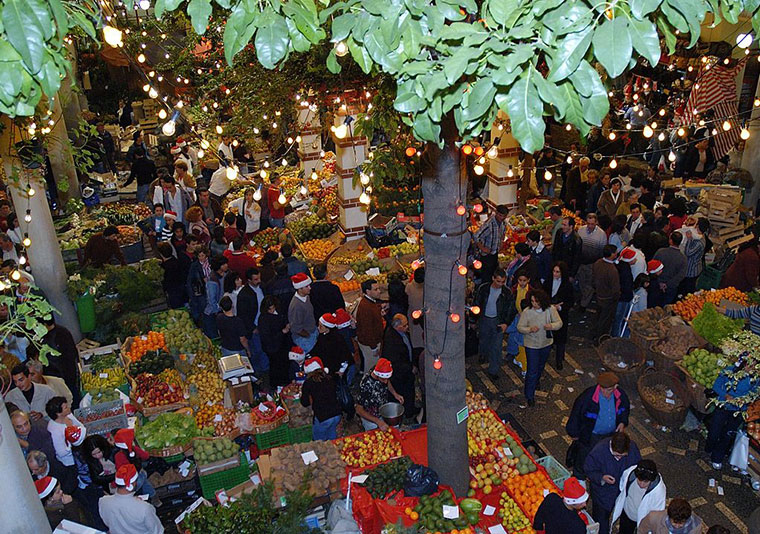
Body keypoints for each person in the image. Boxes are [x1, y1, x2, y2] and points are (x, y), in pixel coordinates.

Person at [567, 372, 630, 479]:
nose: (607, 392)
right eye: (605, 389)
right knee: (584, 455)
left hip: (610, 434)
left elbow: (624, 409)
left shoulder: (620, 395)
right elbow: (576, 414)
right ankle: (579, 476)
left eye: (610, 389)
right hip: (591, 435)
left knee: (604, 455)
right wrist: (573, 432)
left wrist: (622, 422)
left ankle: (597, 474)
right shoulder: (587, 397)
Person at [583, 432, 642, 534]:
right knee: (601, 520)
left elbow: (638, 466)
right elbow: (588, 469)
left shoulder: (633, 449)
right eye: (616, 455)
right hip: (602, 494)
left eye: (623, 456)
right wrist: (602, 478)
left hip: (623, 493)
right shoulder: (598, 451)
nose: (619, 458)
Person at [706, 363, 759, 469]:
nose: (751, 367)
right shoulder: (730, 371)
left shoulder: (755, 378)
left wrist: (745, 400)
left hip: (739, 410)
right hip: (724, 406)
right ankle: (709, 447)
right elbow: (716, 385)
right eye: (749, 364)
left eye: (754, 366)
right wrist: (726, 396)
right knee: (714, 431)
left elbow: (754, 393)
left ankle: (717, 457)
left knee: (728, 434)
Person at [518, 288, 562, 406]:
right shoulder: (527, 312)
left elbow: (559, 323)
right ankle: (529, 395)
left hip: (546, 343)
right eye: (532, 301)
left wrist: (551, 326)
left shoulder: (550, 310)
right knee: (532, 370)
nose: (534, 304)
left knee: (541, 365)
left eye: (536, 302)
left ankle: (535, 381)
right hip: (532, 345)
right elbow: (520, 327)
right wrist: (529, 329)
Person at [475, 269, 516, 380]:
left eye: (502, 282)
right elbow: (477, 303)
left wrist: (505, 323)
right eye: (498, 281)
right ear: (493, 278)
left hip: (498, 321)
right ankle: (483, 353)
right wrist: (474, 319)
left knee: (496, 347)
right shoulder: (483, 289)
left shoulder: (507, 293)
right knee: (484, 340)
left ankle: (493, 369)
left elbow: (510, 309)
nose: (500, 284)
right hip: (484, 319)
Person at [99, 463, 164, 534]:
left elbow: (107, 522)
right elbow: (157, 531)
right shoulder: (145, 508)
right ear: (132, 484)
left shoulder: (103, 501)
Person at [611, 460, 666, 534]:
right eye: (640, 480)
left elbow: (657, 512)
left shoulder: (659, 491)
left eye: (645, 482)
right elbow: (622, 485)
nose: (641, 484)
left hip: (644, 521)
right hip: (627, 514)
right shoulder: (629, 473)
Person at [382, 314, 416, 421]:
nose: (407, 327)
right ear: (398, 327)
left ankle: (410, 409)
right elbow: (396, 361)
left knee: (409, 391)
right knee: (404, 392)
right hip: (400, 374)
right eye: (405, 325)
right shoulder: (392, 341)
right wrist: (410, 368)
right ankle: (405, 413)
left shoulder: (400, 334)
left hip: (406, 369)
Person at [40, 316, 81, 405]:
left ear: (44, 324)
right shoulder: (46, 335)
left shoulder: (62, 333)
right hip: (54, 375)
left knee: (71, 397)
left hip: (66, 374)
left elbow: (71, 354)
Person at [355, 358, 403, 431]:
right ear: (377, 375)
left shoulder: (380, 372)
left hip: (382, 412)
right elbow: (359, 409)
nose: (385, 381)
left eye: (387, 378)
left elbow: (387, 382)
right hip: (370, 418)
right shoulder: (366, 385)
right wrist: (378, 421)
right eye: (383, 379)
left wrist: (395, 394)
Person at [300, 356, 342, 440]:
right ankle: (332, 449)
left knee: (319, 441)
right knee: (331, 433)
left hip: (323, 417)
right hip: (337, 414)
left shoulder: (308, 382)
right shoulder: (329, 378)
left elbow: (305, 402)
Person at [544, 261, 573, 369]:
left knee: (560, 339)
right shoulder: (548, 282)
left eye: (558, 272)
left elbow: (570, 302)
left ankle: (559, 360)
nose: (555, 274)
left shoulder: (567, 285)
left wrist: (560, 307)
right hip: (548, 313)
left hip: (561, 315)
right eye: (554, 271)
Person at [258, 295, 291, 387]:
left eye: (272, 308)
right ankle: (276, 386)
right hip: (273, 347)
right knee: (275, 368)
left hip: (282, 345)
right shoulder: (264, 319)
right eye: (270, 309)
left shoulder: (279, 312)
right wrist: (282, 332)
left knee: (284, 365)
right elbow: (267, 337)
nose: (272, 310)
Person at [237, 267, 266, 371]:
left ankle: (265, 371)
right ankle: (257, 373)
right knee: (257, 351)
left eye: (259, 278)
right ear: (249, 280)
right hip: (254, 328)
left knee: (264, 350)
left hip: (264, 324)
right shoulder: (244, 295)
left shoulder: (262, 287)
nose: (259, 281)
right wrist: (253, 328)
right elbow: (243, 315)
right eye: (256, 279)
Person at [577, 213, 608, 310]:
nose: (590, 226)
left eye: (592, 224)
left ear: (596, 223)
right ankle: (584, 298)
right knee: (582, 282)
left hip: (592, 264)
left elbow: (602, 251)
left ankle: (583, 304)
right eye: (588, 223)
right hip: (581, 263)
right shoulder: (580, 230)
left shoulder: (601, 234)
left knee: (590, 284)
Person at [311, 313, 353, 382]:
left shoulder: (338, 339)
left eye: (321, 326)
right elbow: (317, 349)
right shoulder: (322, 336)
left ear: (327, 328)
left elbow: (345, 356)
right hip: (326, 368)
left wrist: (341, 371)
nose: (318, 328)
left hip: (335, 370)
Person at [592, 245, 621, 343]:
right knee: (605, 321)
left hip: (599, 295)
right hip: (608, 299)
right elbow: (615, 289)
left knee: (598, 316)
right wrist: (616, 298)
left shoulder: (597, 263)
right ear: (612, 255)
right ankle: (600, 339)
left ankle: (593, 334)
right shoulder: (612, 270)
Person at [45, 396, 84, 467]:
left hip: (81, 451)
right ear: (58, 414)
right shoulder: (54, 430)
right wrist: (73, 442)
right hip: (71, 461)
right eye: (66, 407)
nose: (69, 408)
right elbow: (61, 452)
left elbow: (79, 425)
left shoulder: (68, 415)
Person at [356, 279, 385, 373]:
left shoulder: (370, 302)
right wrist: (374, 347)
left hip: (372, 342)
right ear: (368, 291)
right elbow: (367, 330)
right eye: (376, 289)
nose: (379, 291)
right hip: (369, 344)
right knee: (371, 368)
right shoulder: (365, 307)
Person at [473, 204, 508, 282]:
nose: (501, 218)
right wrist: (483, 248)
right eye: (500, 215)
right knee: (486, 276)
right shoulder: (489, 225)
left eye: (504, 216)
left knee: (493, 273)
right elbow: (476, 236)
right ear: (496, 213)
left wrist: (501, 241)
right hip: (486, 255)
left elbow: (503, 233)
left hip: (495, 252)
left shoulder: (504, 223)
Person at [653, 232, 687, 305]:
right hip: (671, 288)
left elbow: (652, 267)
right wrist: (667, 285)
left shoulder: (660, 252)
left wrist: (660, 282)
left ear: (670, 241)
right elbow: (681, 275)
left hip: (656, 285)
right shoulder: (683, 258)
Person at [288, 272, 318, 353]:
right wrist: (308, 335)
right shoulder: (296, 306)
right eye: (307, 286)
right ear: (300, 288)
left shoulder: (306, 296)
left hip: (312, 332)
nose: (310, 288)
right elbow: (295, 327)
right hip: (304, 340)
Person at [638, 498, 704, 534]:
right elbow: (641, 531)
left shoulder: (696, 527)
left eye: (681, 523)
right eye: (674, 522)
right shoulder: (653, 518)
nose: (677, 526)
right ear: (669, 516)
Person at [156, 241, 189, 309]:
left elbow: (166, 282)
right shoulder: (176, 261)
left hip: (174, 294)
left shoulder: (165, 268)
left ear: (161, 254)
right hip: (183, 291)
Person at [203, 255, 228, 339]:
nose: (226, 265)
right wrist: (218, 309)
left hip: (221, 309)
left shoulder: (226, 274)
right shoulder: (212, 280)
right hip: (212, 313)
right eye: (223, 264)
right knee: (214, 336)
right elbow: (211, 299)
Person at [552, 216, 583, 281]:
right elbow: (555, 249)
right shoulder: (559, 233)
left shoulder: (577, 240)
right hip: (558, 265)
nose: (562, 227)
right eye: (562, 224)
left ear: (571, 226)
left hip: (567, 268)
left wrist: (572, 275)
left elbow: (576, 259)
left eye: (565, 225)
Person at [187, 246, 210, 324]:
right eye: (199, 256)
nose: (201, 258)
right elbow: (190, 280)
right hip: (202, 291)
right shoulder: (194, 266)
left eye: (202, 256)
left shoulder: (211, 262)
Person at [405, 266, 425, 356]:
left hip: (413, 319)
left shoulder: (409, 287)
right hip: (423, 320)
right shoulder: (427, 289)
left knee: (416, 342)